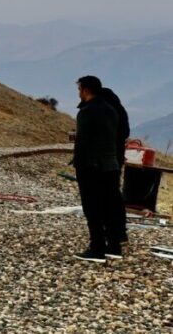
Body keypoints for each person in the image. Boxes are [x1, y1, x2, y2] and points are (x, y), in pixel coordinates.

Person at [71, 75, 123, 262]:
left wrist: (79, 163)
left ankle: (97, 248)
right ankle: (114, 247)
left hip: (91, 166)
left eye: (79, 90)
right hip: (111, 164)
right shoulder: (111, 110)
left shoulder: (87, 112)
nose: (79, 93)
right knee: (109, 206)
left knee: (92, 208)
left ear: (85, 90)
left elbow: (83, 141)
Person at [99, 86, 130, 245]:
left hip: (109, 159)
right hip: (116, 157)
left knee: (108, 195)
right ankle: (119, 231)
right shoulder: (120, 111)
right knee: (114, 194)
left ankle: (113, 231)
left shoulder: (109, 113)